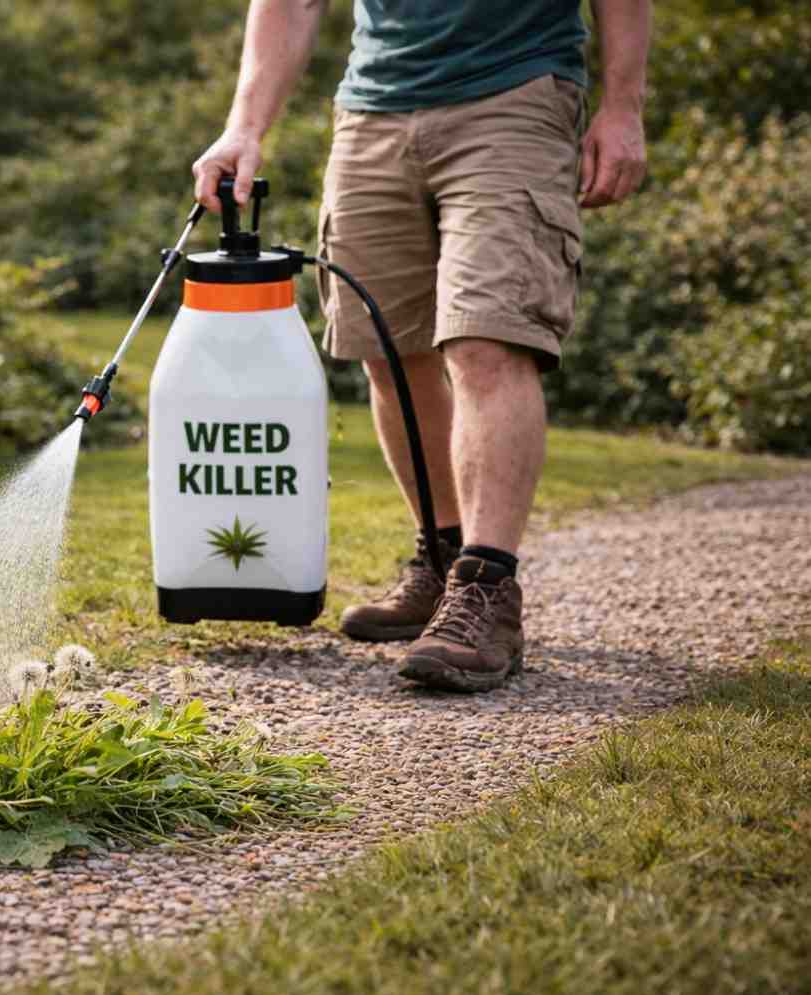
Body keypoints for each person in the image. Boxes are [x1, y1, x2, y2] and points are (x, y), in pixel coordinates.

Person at [193, 0, 650, 692]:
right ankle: (442, 560)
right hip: (371, 109)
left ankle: (487, 588)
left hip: (514, 97)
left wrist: (623, 105)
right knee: (388, 349)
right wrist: (244, 127)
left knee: (487, 340)